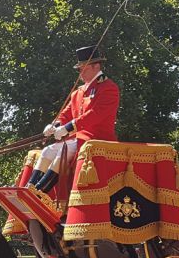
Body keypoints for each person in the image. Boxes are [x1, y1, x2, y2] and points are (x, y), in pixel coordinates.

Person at [27, 45, 120, 193]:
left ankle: (39, 192)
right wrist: (54, 125)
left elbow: (95, 115)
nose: (80, 73)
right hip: (77, 139)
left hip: (96, 139)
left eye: (83, 68)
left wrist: (67, 128)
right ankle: (29, 189)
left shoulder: (108, 87)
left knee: (64, 150)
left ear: (96, 66)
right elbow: (66, 113)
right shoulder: (79, 92)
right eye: (79, 69)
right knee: (47, 151)